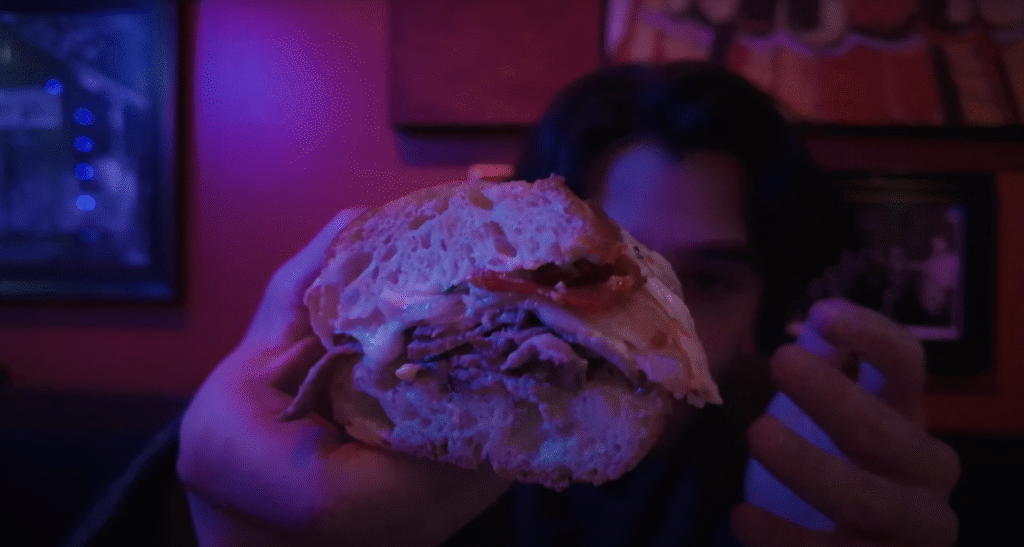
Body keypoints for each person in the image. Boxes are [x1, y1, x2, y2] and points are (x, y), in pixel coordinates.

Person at [67, 62, 960, 547]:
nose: (653, 327)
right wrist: (200, 521)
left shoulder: (799, 487)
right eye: (613, 275)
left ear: (769, 301)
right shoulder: (366, 480)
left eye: (710, 281)